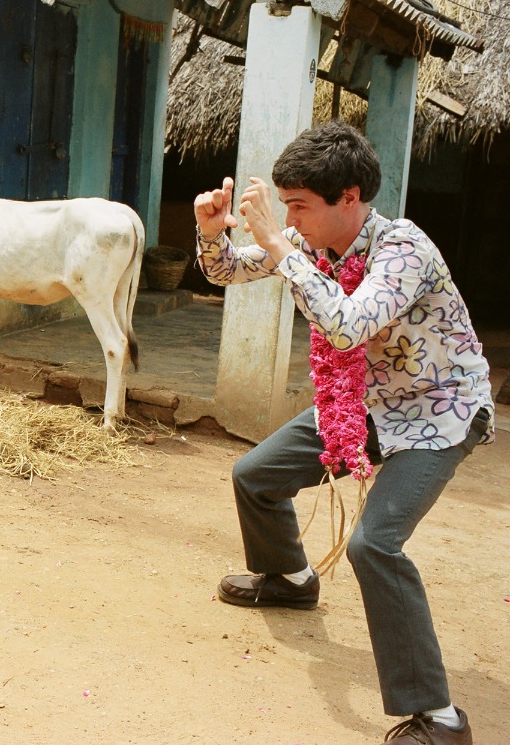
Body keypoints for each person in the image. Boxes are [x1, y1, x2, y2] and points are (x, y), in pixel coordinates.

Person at [193, 121, 494, 745]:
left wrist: (279, 246)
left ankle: (438, 719)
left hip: (441, 413)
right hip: (371, 401)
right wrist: (210, 229)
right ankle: (291, 580)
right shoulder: (312, 244)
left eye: (300, 205)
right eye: (287, 206)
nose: (290, 218)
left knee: (375, 546)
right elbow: (226, 272)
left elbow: (349, 326)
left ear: (350, 198)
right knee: (255, 476)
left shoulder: (403, 248)